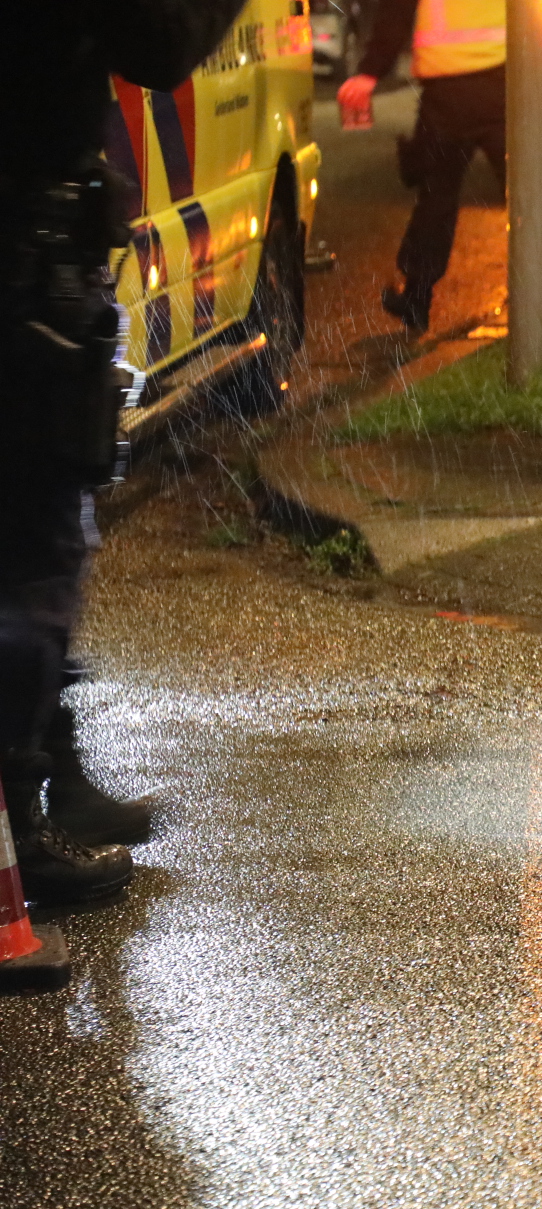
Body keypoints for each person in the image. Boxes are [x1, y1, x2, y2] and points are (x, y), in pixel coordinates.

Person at [1, 0, 245, 903]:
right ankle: (20, 844)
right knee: (33, 554)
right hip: (24, 262)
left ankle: (50, 781)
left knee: (43, 535)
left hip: (32, 247)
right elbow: (159, 39)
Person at [336, 0, 542, 334]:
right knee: (527, 192)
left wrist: (371, 70)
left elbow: (397, 10)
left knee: (436, 198)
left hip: (448, 89)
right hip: (502, 79)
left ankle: (417, 298)